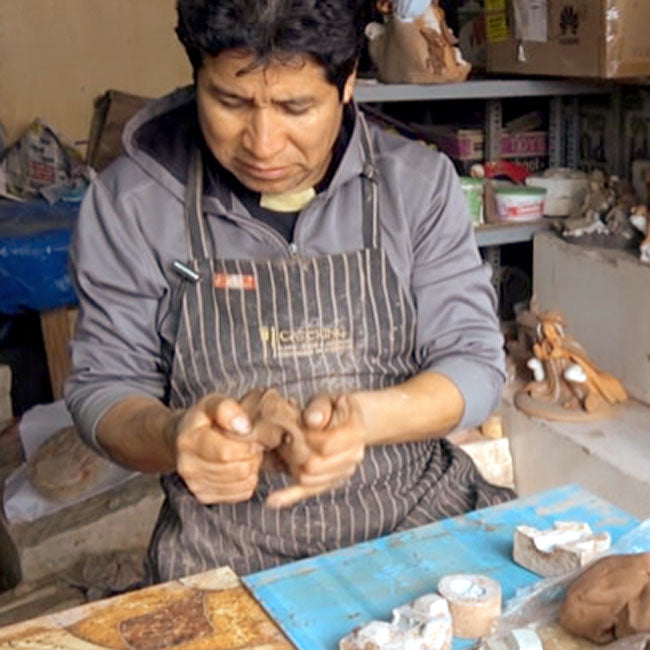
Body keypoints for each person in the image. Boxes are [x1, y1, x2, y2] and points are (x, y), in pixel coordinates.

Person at [65, 0, 514, 585]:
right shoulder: (133, 203)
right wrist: (177, 436)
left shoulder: (415, 186)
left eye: (295, 106)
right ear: (196, 73)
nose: (263, 143)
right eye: (230, 101)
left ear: (348, 79)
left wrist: (365, 419)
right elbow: (103, 391)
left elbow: (477, 366)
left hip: (421, 522)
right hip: (225, 558)